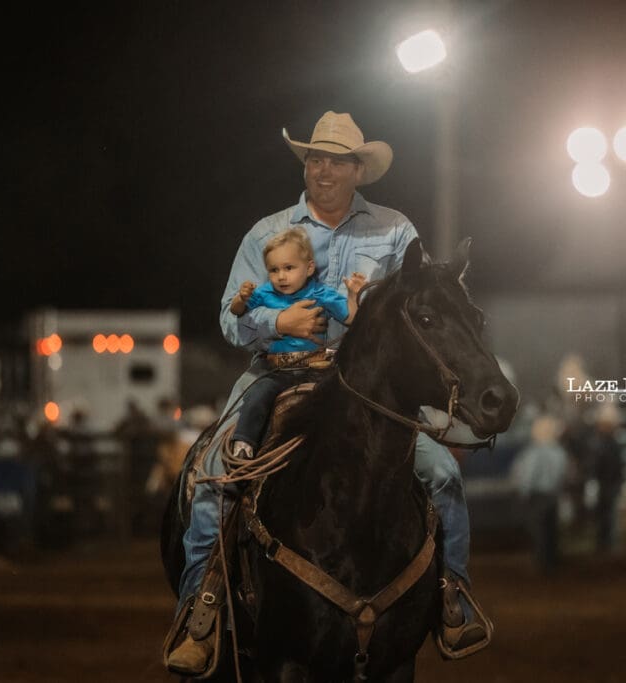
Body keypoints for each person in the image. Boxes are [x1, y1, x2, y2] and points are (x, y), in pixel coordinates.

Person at [166, 111, 488, 675]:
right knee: (214, 471)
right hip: (276, 372)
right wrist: (277, 324)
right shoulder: (266, 234)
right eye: (315, 159)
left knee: (441, 472)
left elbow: (420, 308)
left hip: (364, 391)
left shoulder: (395, 233)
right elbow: (228, 317)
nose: (324, 170)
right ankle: (204, 605)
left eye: (337, 161)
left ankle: (451, 596)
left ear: (358, 170)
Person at [228, 227, 365, 458]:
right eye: (274, 270)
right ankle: (244, 445)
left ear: (309, 268)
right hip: (278, 369)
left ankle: (352, 449)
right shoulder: (263, 293)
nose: (281, 276)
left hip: (316, 369)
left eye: (289, 268)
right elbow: (236, 311)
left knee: (342, 397)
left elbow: (350, 317)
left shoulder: (321, 293)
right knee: (258, 393)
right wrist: (241, 298)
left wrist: (353, 295)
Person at [511, 415, 568, 574]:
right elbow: (563, 474)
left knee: (539, 529)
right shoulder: (559, 451)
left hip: (537, 495)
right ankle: (552, 560)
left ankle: (541, 561)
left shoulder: (534, 452)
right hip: (553, 494)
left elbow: (529, 474)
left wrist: (524, 491)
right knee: (551, 528)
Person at [590, 405, 624, 552]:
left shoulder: (598, 443)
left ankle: (603, 544)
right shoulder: (613, 444)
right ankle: (607, 544)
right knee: (608, 516)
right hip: (610, 483)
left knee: (604, 516)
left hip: (604, 483)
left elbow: (595, 464)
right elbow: (619, 465)